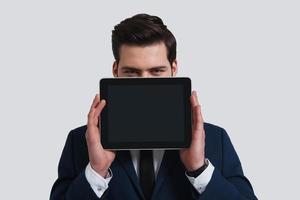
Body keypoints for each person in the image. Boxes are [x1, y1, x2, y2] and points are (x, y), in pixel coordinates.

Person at [50, 13, 257, 200]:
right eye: (132, 72)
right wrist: (96, 171)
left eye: (156, 71)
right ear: (116, 70)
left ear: (173, 68)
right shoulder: (80, 141)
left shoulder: (214, 139)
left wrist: (198, 170)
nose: (144, 84)